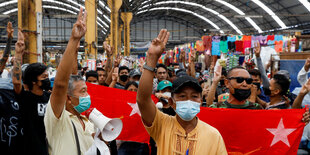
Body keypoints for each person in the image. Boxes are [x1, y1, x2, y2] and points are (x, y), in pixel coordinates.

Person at [137, 29, 227, 155]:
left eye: (194, 96)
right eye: (182, 96)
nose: (188, 100)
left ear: (201, 101)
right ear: (171, 102)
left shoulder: (213, 136)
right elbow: (143, 100)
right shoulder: (162, 125)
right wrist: (152, 58)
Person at [44, 8, 100, 154]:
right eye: (83, 92)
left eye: (86, 90)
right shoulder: (58, 118)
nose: (87, 96)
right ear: (68, 98)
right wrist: (74, 39)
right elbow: (61, 84)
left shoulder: (88, 121)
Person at [12, 31, 51, 154]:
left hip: (50, 147)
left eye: (47, 76)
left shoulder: (49, 97)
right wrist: (18, 53)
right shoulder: (26, 97)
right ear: (34, 81)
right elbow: (17, 82)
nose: (47, 79)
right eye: (44, 77)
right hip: (30, 148)